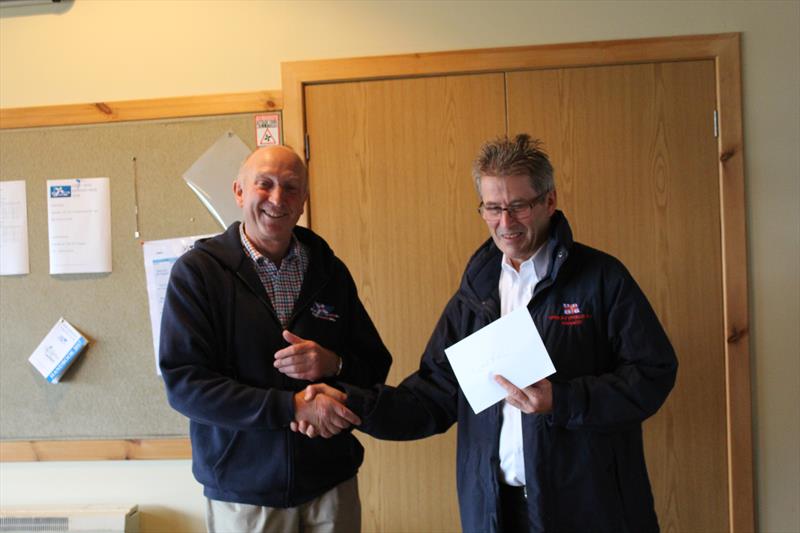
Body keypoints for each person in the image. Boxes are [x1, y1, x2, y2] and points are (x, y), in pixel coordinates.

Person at [296, 134, 678, 532]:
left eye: (518, 207)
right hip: (495, 509)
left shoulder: (600, 279)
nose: (505, 223)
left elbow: (654, 373)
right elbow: (430, 397)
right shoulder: (475, 294)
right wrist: (349, 400)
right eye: (493, 208)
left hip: (589, 506)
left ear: (549, 201)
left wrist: (562, 399)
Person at [159, 145, 391, 533]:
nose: (277, 199)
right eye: (263, 185)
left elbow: (374, 364)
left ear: (303, 201)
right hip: (243, 492)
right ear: (238, 191)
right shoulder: (198, 274)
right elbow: (185, 385)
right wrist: (290, 407)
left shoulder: (329, 270)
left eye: (291, 188)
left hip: (331, 483)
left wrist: (333, 364)